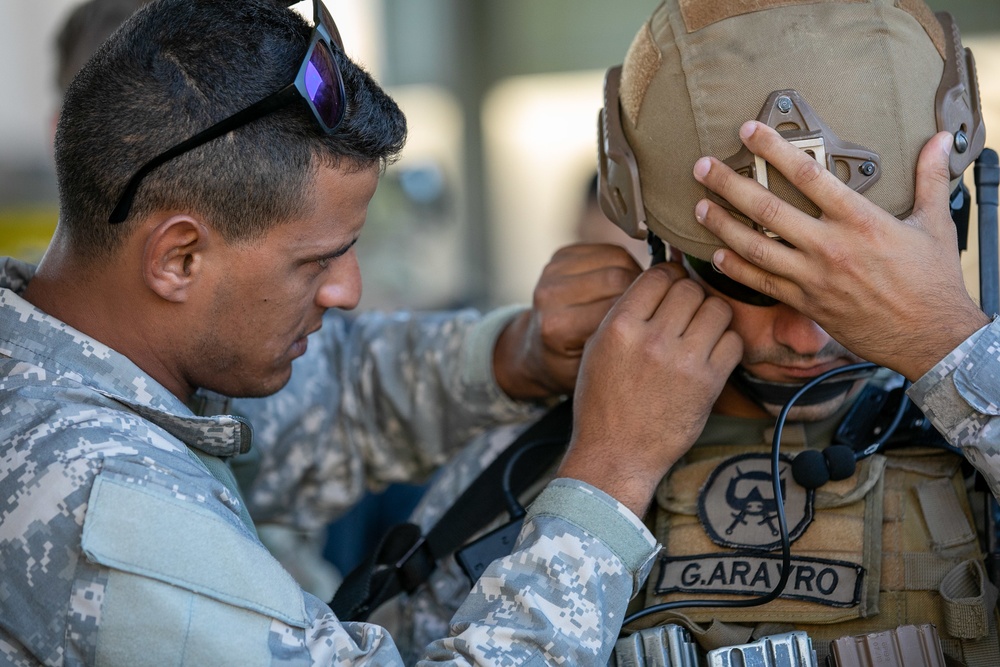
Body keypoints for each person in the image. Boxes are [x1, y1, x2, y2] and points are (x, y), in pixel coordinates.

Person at [0, 0, 744, 663]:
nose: (349, 291)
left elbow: (330, 398)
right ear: (179, 258)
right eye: (318, 260)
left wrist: (516, 355)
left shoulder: (76, 356)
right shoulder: (98, 502)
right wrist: (609, 474)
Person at [383, 1, 1000, 664]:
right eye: (751, 280)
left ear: (951, 229)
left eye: (857, 283)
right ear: (667, 254)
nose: (805, 334)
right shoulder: (532, 473)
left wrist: (951, 345)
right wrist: (604, 472)